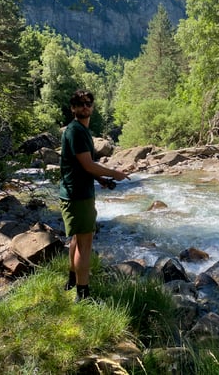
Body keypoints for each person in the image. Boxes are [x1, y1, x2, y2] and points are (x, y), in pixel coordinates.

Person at [60, 89, 130, 301]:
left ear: (92, 106)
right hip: (78, 196)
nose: (85, 107)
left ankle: (72, 281)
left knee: (77, 239)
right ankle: (83, 295)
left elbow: (83, 167)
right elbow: (89, 164)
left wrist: (101, 180)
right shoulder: (76, 132)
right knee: (85, 244)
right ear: (73, 108)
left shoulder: (79, 131)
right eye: (80, 104)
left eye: (88, 103)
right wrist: (114, 173)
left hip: (75, 193)